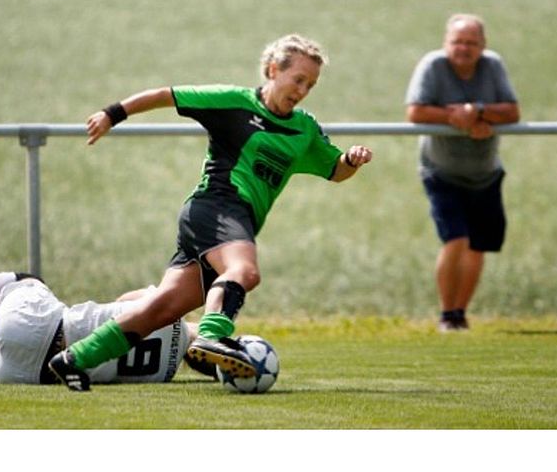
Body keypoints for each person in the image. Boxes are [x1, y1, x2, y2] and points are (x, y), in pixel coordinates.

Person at [49, 33, 373, 391]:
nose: (303, 90)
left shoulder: (305, 129)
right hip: (215, 207)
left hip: (230, 222)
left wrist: (351, 160)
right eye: (298, 79)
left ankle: (73, 359)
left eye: (310, 85)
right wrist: (112, 114)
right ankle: (211, 335)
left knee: (162, 309)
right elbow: (166, 95)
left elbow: (336, 171)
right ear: (271, 70)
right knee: (244, 271)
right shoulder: (234, 102)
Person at [0, 253, 209, 385]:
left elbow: (126, 301)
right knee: (4, 348)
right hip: (28, 375)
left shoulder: (169, 313)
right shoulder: (163, 376)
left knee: (27, 281)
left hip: (44, 328)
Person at [405, 14, 520, 332]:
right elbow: (415, 110)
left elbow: (512, 110)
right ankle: (446, 313)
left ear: (483, 46)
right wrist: (458, 118)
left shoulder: (493, 66)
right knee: (456, 239)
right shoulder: (433, 66)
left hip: (485, 172)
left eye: (471, 43)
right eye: (458, 41)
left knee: (478, 246)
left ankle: (460, 314)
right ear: (446, 43)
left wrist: (480, 112)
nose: (464, 49)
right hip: (441, 170)